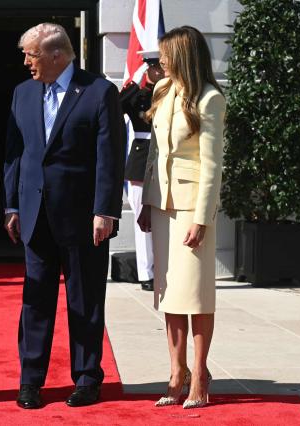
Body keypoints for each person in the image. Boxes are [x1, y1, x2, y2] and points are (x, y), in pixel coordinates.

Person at [3, 23, 125, 409]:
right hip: (35, 215)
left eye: (31, 54)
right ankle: (30, 380)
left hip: (83, 219)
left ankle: (87, 378)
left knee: (85, 299)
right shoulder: (23, 93)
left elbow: (109, 157)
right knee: (35, 300)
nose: (26, 62)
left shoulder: (99, 92)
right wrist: (11, 205)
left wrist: (105, 210)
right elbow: (15, 153)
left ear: (57, 55)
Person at [137, 26, 226, 409]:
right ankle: (176, 372)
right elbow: (155, 154)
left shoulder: (210, 99)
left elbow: (212, 165)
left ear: (185, 55)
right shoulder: (162, 91)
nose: (161, 61)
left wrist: (202, 219)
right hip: (162, 205)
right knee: (169, 293)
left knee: (197, 295)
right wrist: (145, 200)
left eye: (167, 54)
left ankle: (200, 373)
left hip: (192, 208)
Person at [119, 50, 166, 291]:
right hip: (141, 157)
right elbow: (116, 106)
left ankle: (165, 270)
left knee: (166, 220)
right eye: (154, 68)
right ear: (147, 69)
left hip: (167, 158)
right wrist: (136, 84)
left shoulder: (171, 92)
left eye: (161, 67)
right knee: (142, 219)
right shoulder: (138, 95)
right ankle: (146, 273)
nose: (159, 72)